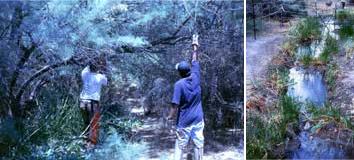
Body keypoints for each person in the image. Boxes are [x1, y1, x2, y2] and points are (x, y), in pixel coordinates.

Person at [167, 34, 204, 160]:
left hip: (184, 122)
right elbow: (195, 60)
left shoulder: (179, 85)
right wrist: (195, 45)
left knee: (180, 145)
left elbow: (175, 104)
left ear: (180, 73)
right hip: (198, 119)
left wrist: (170, 117)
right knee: (198, 144)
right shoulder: (196, 75)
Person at [79, 56, 108, 147]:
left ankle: (85, 143)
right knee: (94, 125)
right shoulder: (100, 77)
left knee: (86, 123)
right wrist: (103, 67)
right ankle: (93, 146)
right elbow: (106, 82)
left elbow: (86, 68)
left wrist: (92, 58)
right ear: (97, 67)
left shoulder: (85, 74)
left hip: (82, 102)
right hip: (93, 103)